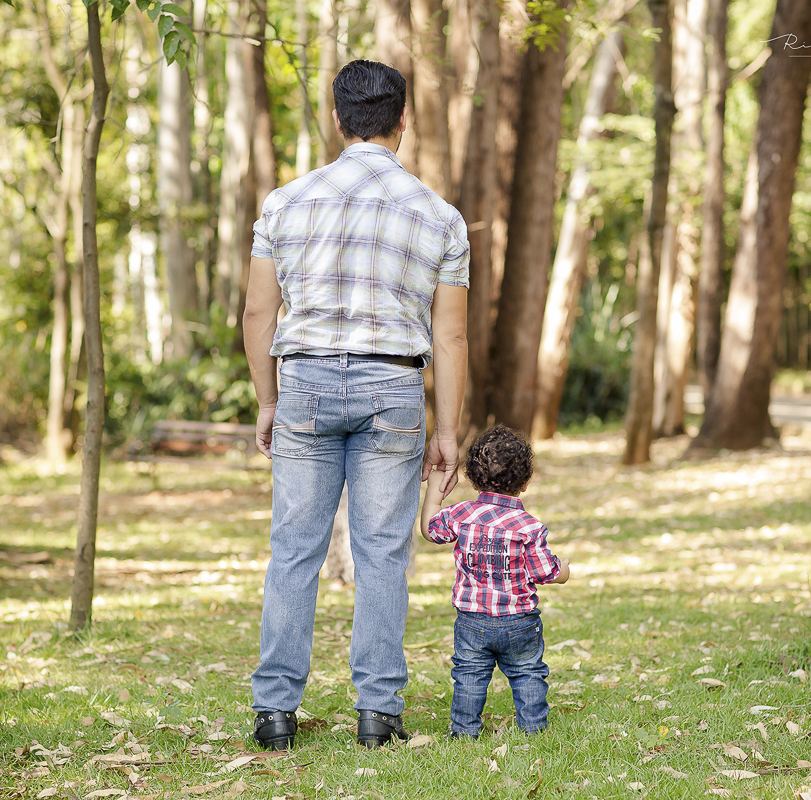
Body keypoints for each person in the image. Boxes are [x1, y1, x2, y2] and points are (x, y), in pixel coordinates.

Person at [242, 59, 469, 751]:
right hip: (393, 388)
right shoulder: (439, 215)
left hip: (305, 382)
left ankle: (275, 715)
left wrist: (267, 400)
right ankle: (378, 715)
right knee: (380, 556)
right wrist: (450, 431)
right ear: (404, 121)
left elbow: (257, 311)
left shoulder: (285, 202)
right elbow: (451, 332)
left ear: (338, 120)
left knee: (293, 553)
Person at [419, 425, 570, 739]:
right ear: (525, 481)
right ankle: (533, 728)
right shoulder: (529, 526)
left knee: (469, 675)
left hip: (472, 621)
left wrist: (435, 488)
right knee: (528, 672)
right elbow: (545, 573)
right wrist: (564, 569)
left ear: (473, 477)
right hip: (519, 622)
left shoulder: (461, 515)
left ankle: (464, 731)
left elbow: (431, 529)